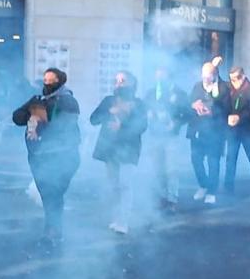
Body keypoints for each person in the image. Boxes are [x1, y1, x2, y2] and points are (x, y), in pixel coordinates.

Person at [13, 67, 81, 249]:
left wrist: (43, 119)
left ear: (60, 81)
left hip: (62, 155)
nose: (47, 83)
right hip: (39, 156)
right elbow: (17, 117)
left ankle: (52, 232)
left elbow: (65, 126)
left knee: (54, 194)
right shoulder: (38, 100)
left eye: (51, 80)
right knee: (48, 195)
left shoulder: (68, 101)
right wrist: (31, 114)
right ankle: (52, 230)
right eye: (45, 80)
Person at [90, 69, 148, 234]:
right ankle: (116, 218)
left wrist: (122, 126)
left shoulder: (139, 104)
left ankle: (123, 221)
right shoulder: (109, 101)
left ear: (131, 83)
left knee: (125, 184)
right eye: (116, 80)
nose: (118, 84)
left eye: (122, 81)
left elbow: (142, 126)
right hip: (110, 148)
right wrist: (109, 111)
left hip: (129, 149)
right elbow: (94, 119)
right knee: (114, 185)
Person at [186, 59, 230, 204]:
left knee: (213, 162)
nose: (205, 79)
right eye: (203, 76)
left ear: (215, 74)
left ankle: (212, 191)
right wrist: (195, 105)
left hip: (215, 131)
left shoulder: (223, 88)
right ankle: (203, 185)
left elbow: (227, 109)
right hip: (198, 130)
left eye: (208, 76)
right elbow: (190, 102)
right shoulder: (197, 86)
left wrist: (212, 112)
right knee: (196, 160)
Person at [146, 65, 187, 207]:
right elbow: (142, 109)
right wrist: (148, 114)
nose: (159, 80)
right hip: (155, 136)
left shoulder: (179, 94)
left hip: (171, 137)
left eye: (162, 77)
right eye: (157, 77)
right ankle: (161, 196)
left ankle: (172, 199)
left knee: (171, 169)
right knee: (157, 169)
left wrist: (176, 123)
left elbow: (188, 114)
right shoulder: (151, 93)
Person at [222, 66, 250, 194]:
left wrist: (239, 118)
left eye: (236, 78)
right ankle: (228, 185)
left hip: (248, 130)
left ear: (243, 76)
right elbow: (218, 86)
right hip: (233, 130)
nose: (234, 82)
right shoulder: (228, 88)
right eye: (231, 79)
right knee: (231, 156)